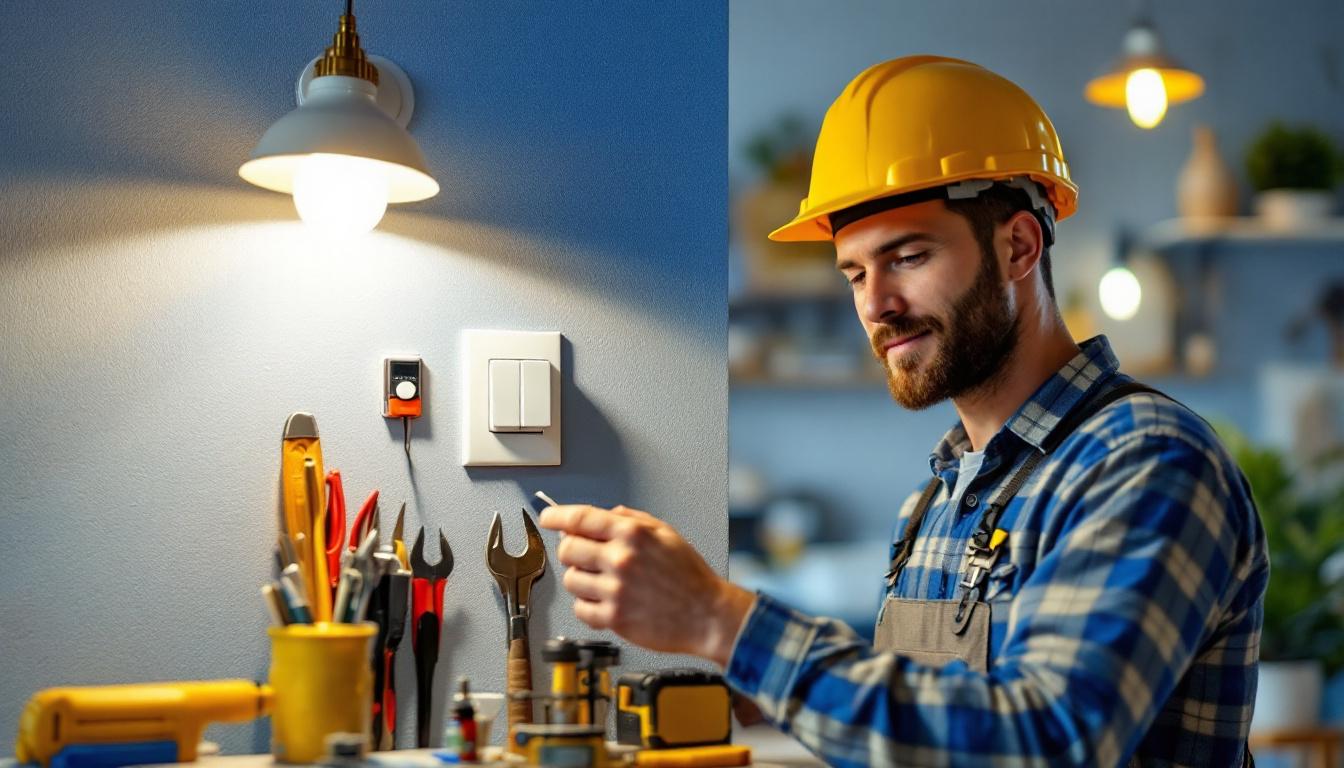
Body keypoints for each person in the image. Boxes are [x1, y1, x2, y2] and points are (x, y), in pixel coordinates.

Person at [538, 56, 1268, 767]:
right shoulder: (935, 501)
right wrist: (745, 688)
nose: (875, 305)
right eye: (855, 272)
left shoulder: (1145, 461)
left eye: (908, 257)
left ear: (1018, 245)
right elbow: (930, 728)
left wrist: (721, 619)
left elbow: (1052, 739)